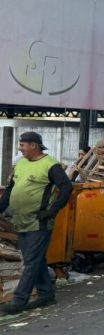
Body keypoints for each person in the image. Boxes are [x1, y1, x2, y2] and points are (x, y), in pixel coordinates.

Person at [0, 132, 73, 314]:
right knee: (37, 259)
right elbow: (10, 190)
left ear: (34, 145)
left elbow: (66, 187)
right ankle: (46, 294)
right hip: (21, 220)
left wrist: (52, 210)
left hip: (39, 222)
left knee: (31, 261)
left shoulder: (51, 165)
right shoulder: (21, 164)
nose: (20, 148)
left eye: (23, 145)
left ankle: (19, 301)